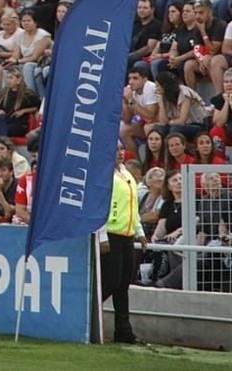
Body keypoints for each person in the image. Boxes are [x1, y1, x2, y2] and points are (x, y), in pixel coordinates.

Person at [100, 146, 144, 344]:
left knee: (123, 284)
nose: (119, 152)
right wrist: (101, 237)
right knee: (111, 282)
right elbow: (99, 206)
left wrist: (140, 231)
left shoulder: (125, 172)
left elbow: (132, 206)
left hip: (127, 235)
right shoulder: (103, 174)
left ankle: (124, 331)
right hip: (111, 234)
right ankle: (86, 312)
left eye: (121, 149)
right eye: (115, 149)